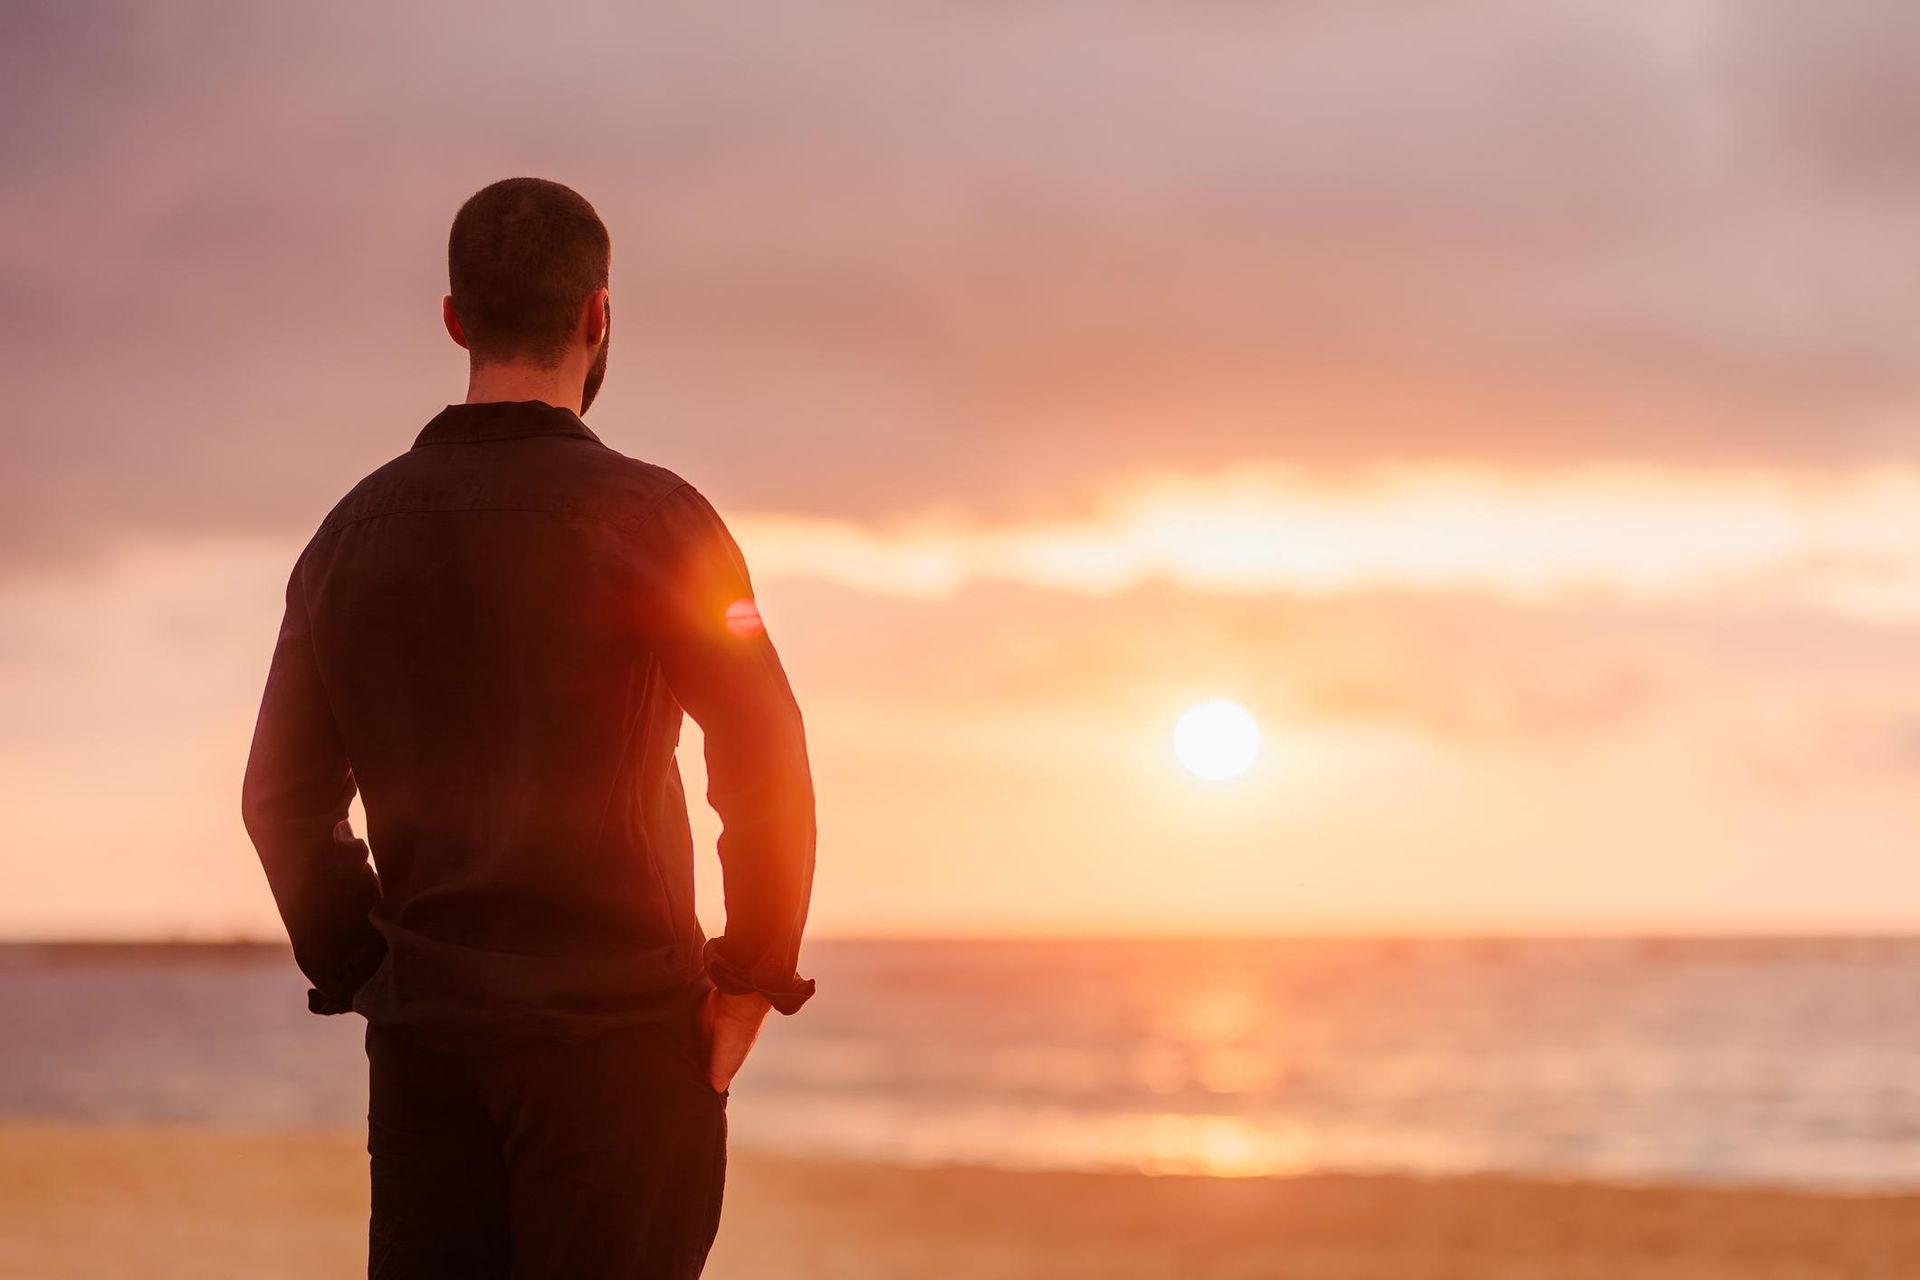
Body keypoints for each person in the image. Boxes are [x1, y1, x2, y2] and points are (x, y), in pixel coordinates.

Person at [240, 176, 818, 1279]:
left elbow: (280, 800)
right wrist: (752, 974)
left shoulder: (346, 537)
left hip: (429, 1056)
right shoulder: (661, 522)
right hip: (620, 1047)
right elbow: (766, 751)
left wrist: (369, 964)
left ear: (455, 319)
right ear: (597, 315)